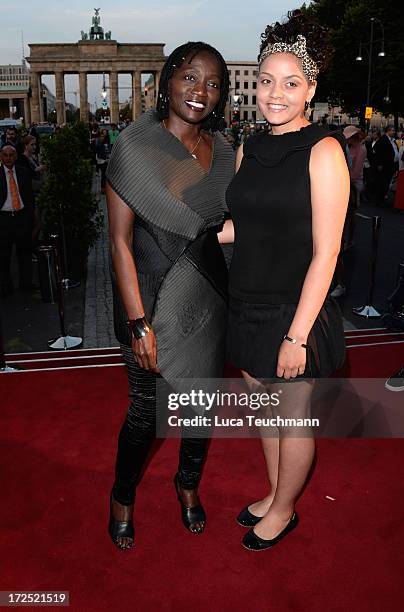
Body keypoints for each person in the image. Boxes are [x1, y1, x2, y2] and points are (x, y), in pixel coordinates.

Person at [225, 11, 349, 551]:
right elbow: (240, 225)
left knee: (293, 417)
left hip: (296, 307)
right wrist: (190, 233)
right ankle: (276, 491)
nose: (275, 93)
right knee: (262, 410)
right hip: (247, 297)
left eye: (291, 83)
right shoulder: (248, 148)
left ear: (310, 89)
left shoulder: (323, 152)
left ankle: (285, 509)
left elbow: (328, 252)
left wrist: (297, 335)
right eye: (268, 81)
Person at [106, 42, 234, 549]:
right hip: (151, 301)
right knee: (145, 413)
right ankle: (122, 495)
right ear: (166, 79)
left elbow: (218, 229)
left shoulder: (223, 151)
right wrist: (138, 322)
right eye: (190, 76)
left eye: (213, 83)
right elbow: (118, 240)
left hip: (206, 298)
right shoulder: (133, 148)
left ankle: (187, 485)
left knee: (201, 408)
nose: (200, 91)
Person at [0, 145, 35, 296]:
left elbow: (29, 196)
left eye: (11, 155)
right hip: (3, 219)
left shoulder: (24, 173)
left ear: (15, 156)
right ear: (1, 157)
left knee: (25, 253)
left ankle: (26, 284)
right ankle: (5, 286)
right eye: (5, 155)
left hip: (21, 216)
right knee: (3, 255)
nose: (8, 158)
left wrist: (29, 216)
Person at [374, 125, 399, 207]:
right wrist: (379, 163)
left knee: (387, 183)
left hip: (391, 165)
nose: (394, 132)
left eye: (394, 130)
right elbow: (377, 151)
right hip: (384, 165)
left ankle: (382, 198)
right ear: (388, 131)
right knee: (382, 183)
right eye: (392, 130)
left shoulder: (393, 140)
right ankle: (378, 200)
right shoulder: (383, 139)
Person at [95, 129, 110, 193]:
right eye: (103, 133)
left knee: (106, 175)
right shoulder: (98, 141)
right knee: (103, 175)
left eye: (105, 133)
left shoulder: (107, 140)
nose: (104, 134)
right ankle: (103, 189)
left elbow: (109, 148)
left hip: (107, 159)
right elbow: (98, 151)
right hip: (102, 160)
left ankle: (105, 188)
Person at [394, 140, 404, 213]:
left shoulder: (402, 147)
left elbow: (398, 158)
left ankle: (399, 206)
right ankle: (403, 207)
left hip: (401, 169)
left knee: (401, 189)